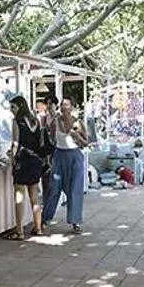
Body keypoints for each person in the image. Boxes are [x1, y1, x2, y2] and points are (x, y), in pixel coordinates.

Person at [6, 95, 53, 239]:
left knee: (19, 197)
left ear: (20, 106)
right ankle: (38, 227)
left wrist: (12, 159)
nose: (11, 110)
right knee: (34, 196)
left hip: (22, 161)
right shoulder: (35, 121)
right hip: (35, 161)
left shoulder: (17, 121)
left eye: (13, 107)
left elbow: (15, 143)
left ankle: (19, 231)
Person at [42, 97, 89, 234]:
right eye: (62, 105)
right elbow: (51, 139)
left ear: (72, 107)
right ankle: (45, 218)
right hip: (59, 155)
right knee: (54, 187)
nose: (64, 107)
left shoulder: (78, 123)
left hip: (74, 156)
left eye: (67, 105)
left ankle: (75, 221)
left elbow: (86, 143)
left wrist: (76, 136)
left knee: (74, 189)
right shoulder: (55, 122)